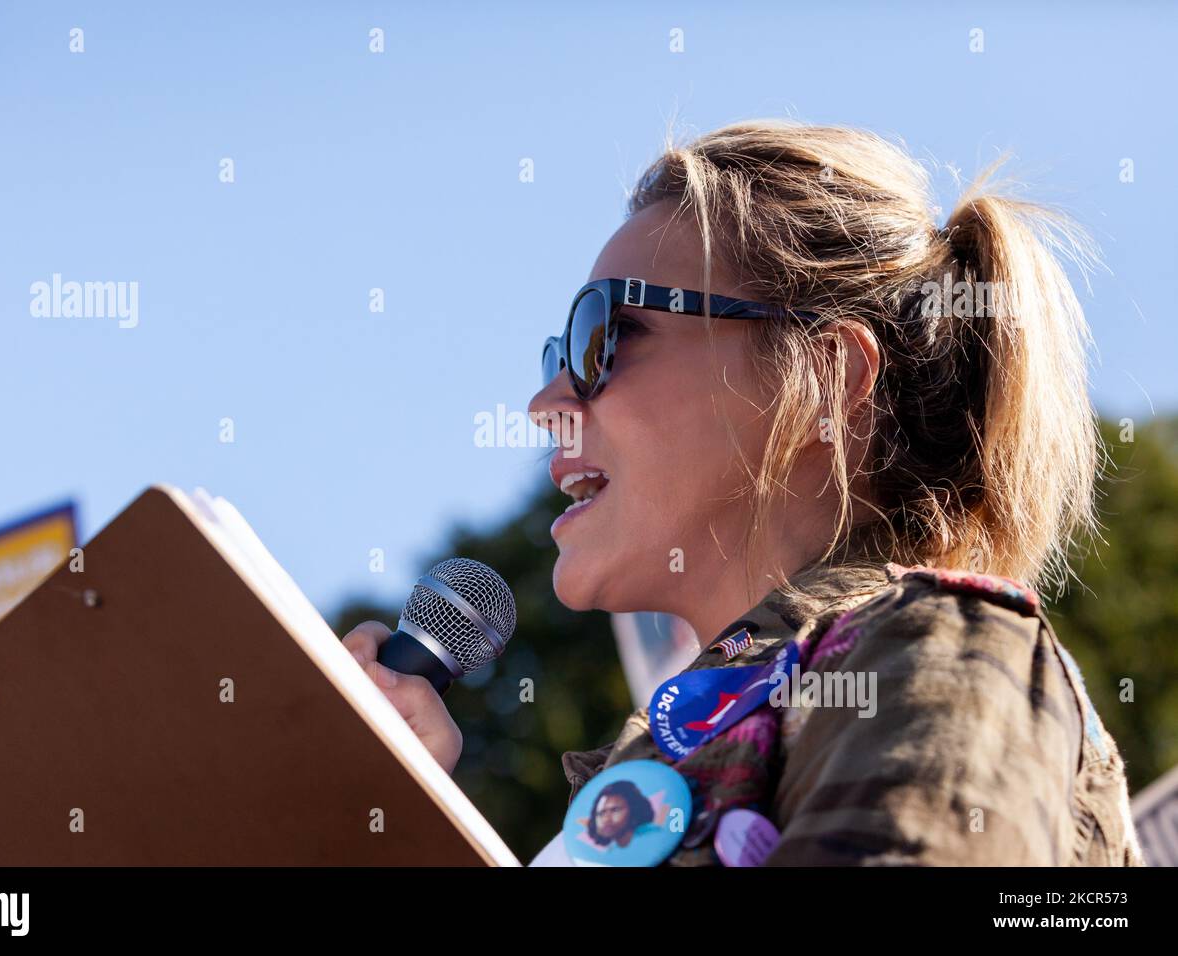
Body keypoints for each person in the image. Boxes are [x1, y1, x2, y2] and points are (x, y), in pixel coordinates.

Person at [344, 119, 1144, 866]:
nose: (545, 403)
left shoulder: (946, 650)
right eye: (555, 353)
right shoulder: (654, 770)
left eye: (602, 337)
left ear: (826, 380)